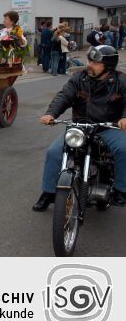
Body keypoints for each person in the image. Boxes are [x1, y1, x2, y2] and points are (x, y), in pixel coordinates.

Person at [33, 45, 126, 211]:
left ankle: (121, 190)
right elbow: (64, 96)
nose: (90, 64)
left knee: (124, 149)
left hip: (109, 127)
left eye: (95, 62)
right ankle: (48, 192)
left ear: (108, 66)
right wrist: (51, 114)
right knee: (54, 152)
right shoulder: (79, 78)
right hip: (81, 126)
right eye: (89, 60)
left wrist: (124, 118)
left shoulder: (120, 80)